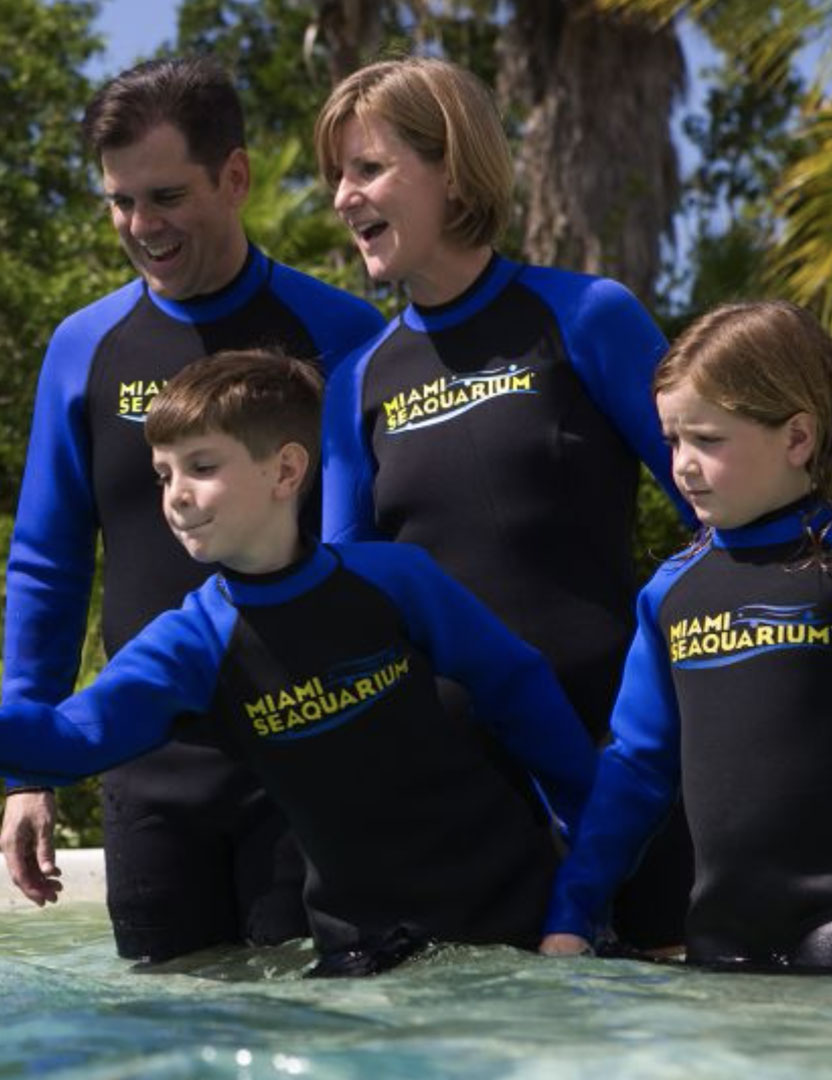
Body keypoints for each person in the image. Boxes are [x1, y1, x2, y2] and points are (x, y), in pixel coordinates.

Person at [0, 350, 597, 977]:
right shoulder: (191, 643)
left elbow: (523, 698)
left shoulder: (395, 581)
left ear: (286, 471)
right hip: (367, 957)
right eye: (163, 474)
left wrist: (585, 891)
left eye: (201, 466)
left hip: (516, 922)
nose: (176, 497)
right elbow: (70, 740)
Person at [0, 58, 387, 964]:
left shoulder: (343, 335)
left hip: (314, 762)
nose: (141, 226)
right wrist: (29, 766)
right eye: (119, 201)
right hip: (153, 772)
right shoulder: (83, 347)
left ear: (237, 178)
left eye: (166, 195)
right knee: (165, 1034)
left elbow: (381, 553)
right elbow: (47, 562)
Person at [312, 56, 692, 951]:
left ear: (451, 168)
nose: (342, 197)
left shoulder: (588, 316)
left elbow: (718, 513)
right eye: (338, 175)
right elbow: (346, 608)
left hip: (620, 761)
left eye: (367, 169)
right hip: (463, 796)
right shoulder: (359, 381)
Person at [538, 300, 832, 971]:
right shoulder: (670, 593)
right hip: (723, 931)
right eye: (672, 441)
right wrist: (574, 911)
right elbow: (635, 771)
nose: (682, 466)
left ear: (797, 438)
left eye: (708, 440)